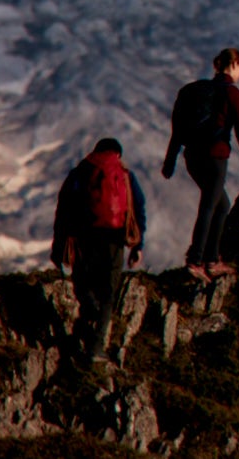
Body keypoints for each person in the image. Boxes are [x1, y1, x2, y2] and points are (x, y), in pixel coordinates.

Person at [164, 46, 239, 280]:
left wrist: (170, 160)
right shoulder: (232, 93)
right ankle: (197, 260)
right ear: (234, 64)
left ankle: (210, 257)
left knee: (221, 206)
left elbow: (177, 128)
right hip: (216, 157)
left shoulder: (192, 91)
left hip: (192, 157)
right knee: (209, 205)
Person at [51, 137, 145, 366]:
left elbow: (63, 209)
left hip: (85, 236)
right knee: (108, 294)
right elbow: (138, 209)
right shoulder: (125, 175)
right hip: (114, 239)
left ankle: (86, 320)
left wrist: (59, 246)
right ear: (118, 155)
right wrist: (137, 247)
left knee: (83, 284)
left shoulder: (81, 171)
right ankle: (96, 347)